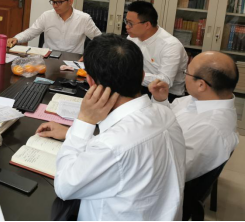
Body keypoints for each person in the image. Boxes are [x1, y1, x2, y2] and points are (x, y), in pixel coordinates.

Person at [36, 34, 187, 221]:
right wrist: (69, 133)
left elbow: (64, 187)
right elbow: (131, 150)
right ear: (142, 76)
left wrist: (84, 121)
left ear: (91, 82)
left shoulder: (112, 145)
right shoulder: (166, 114)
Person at [149, 51, 240, 182]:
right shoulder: (200, 99)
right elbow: (169, 118)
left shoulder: (210, 128)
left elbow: (171, 171)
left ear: (201, 85)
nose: (184, 76)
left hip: (161, 175)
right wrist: (161, 100)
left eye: (186, 73)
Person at [7, 0, 101, 53]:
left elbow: (100, 40)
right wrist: (17, 38)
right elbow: (31, 31)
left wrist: (88, 56)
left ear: (70, 1)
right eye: (53, 2)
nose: (55, 5)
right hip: (48, 58)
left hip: (71, 61)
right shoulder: (47, 16)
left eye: (59, 2)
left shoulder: (84, 19)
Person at [126, 1, 188, 101]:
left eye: (130, 23)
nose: (127, 27)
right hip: (139, 86)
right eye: (126, 22)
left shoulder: (171, 45)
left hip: (168, 94)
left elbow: (165, 81)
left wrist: (131, 75)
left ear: (147, 25)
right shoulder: (132, 38)